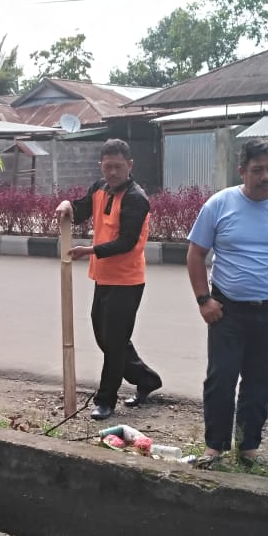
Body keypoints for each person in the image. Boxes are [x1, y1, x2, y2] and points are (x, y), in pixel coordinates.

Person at [186, 138, 268, 466]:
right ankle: (214, 447)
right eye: (258, 170)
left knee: (262, 382)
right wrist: (203, 300)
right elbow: (196, 253)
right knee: (221, 378)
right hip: (227, 310)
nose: (266, 177)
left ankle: (248, 446)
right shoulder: (219, 205)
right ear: (242, 171)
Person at [55, 138, 162, 421]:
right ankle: (146, 378)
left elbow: (127, 242)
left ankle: (105, 400)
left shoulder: (136, 198)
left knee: (114, 343)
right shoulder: (99, 188)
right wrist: (67, 204)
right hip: (103, 277)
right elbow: (79, 211)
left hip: (127, 281)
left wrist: (90, 250)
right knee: (107, 338)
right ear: (100, 166)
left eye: (118, 167)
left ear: (130, 166)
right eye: (108, 166)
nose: (113, 172)